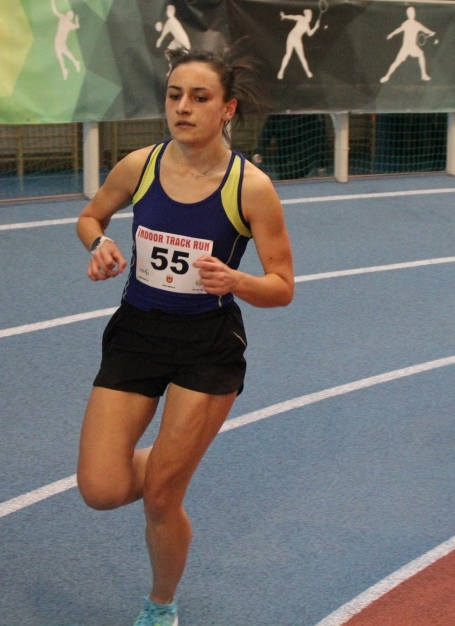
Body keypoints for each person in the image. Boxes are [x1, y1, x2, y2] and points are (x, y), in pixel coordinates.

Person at [75, 46, 294, 626]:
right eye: (175, 95)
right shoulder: (139, 166)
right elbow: (90, 217)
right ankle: (174, 454)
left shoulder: (251, 188)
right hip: (136, 334)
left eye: (199, 97)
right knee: (100, 489)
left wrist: (238, 280)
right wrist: (99, 244)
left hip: (207, 347)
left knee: (162, 496)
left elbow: (282, 286)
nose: (183, 107)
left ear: (228, 109)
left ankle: (160, 606)